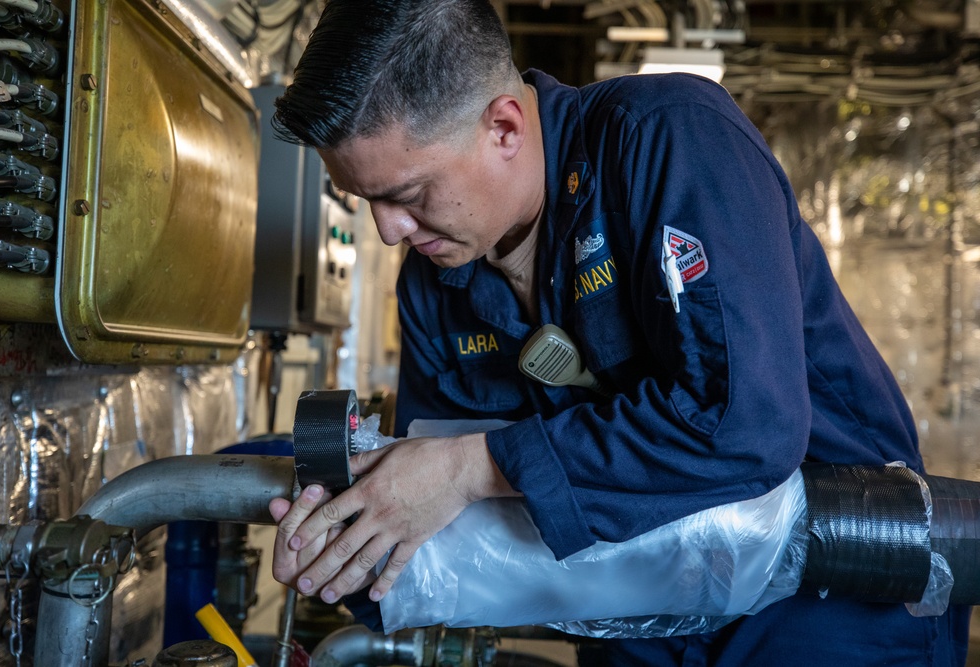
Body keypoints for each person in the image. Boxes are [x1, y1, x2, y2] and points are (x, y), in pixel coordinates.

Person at [266, 0, 970, 664]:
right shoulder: (434, 283)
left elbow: (744, 426)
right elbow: (439, 522)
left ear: (505, 127)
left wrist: (470, 467)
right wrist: (347, 551)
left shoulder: (669, 141)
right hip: (633, 624)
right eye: (367, 202)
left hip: (826, 605)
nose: (389, 230)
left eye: (408, 195)